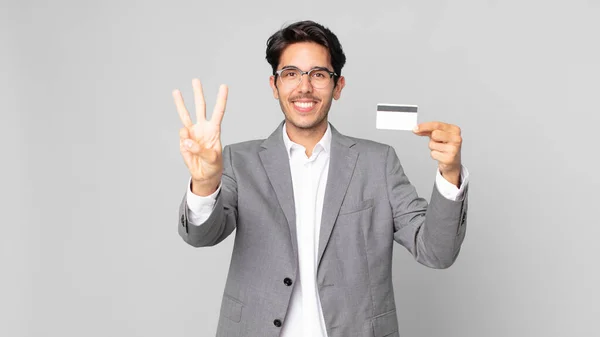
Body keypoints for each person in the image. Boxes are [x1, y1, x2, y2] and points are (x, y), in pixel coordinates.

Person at [173, 20, 469, 337]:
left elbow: (436, 252)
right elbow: (201, 236)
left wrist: (450, 173)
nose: (304, 87)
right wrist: (205, 183)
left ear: (337, 86)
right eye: (291, 74)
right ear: (274, 86)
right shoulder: (237, 160)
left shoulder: (378, 163)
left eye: (318, 74)